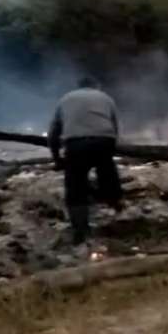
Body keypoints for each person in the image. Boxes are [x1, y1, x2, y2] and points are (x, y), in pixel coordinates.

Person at [48, 76, 123, 254]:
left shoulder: (65, 99)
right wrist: (111, 147)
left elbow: (53, 132)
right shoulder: (106, 98)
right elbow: (115, 126)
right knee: (107, 172)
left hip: (76, 144)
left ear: (78, 86)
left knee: (75, 186)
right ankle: (115, 202)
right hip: (104, 141)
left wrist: (57, 158)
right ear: (96, 86)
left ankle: (80, 230)